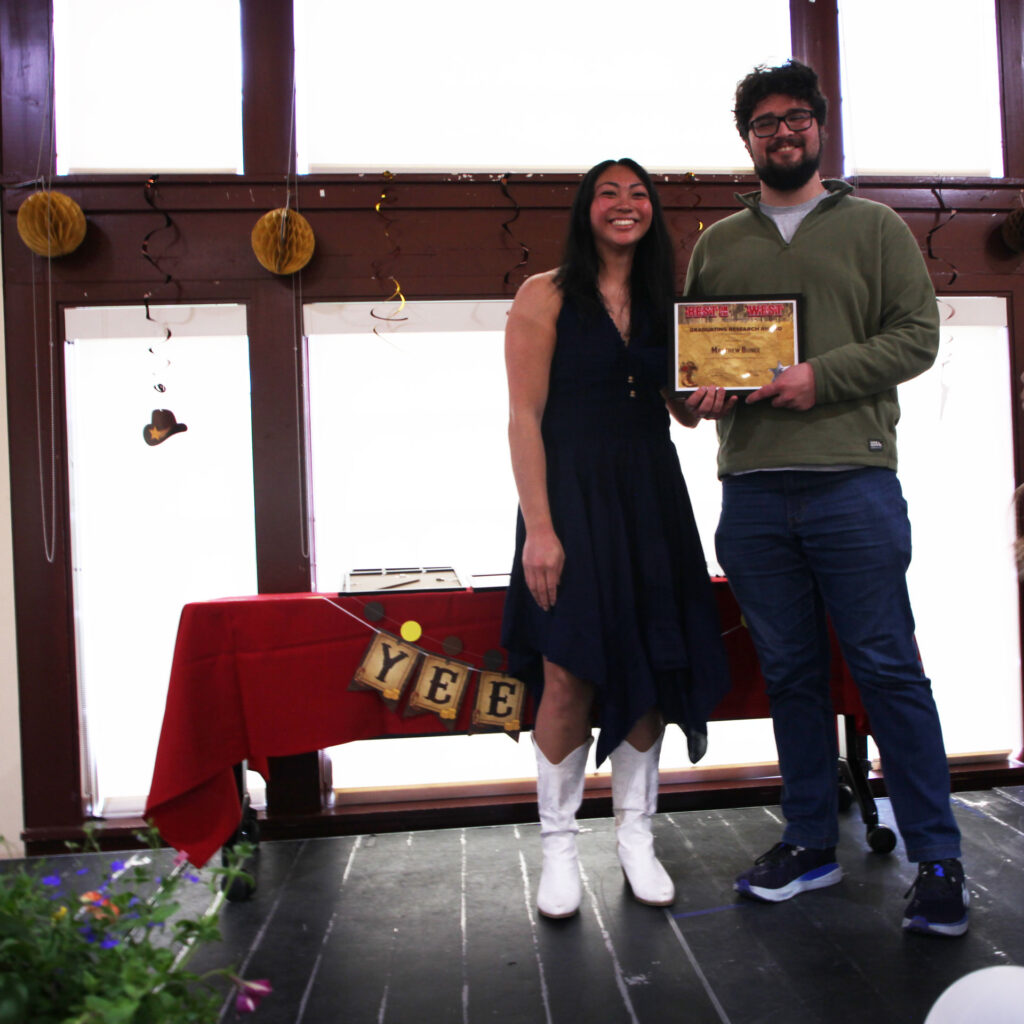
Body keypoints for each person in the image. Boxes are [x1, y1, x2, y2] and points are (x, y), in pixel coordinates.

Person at [683, 60, 968, 937]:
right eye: (764, 121)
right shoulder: (717, 244)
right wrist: (693, 396)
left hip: (854, 480)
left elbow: (917, 336)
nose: (783, 131)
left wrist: (821, 377)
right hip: (755, 492)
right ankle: (810, 841)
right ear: (747, 139)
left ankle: (939, 859)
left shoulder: (877, 227)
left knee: (887, 670)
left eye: (796, 117)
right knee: (792, 674)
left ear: (819, 127)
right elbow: (694, 362)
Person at [501, 158, 731, 919]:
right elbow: (523, 418)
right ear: (586, 209)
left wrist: (706, 399)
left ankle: (636, 838)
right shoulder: (545, 295)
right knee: (567, 672)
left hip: (649, 495)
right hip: (567, 498)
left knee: (648, 657)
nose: (625, 204)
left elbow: (682, 410)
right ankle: (559, 848)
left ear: (652, 212)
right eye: (610, 192)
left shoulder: (669, 301)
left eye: (639, 194)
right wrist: (539, 527)